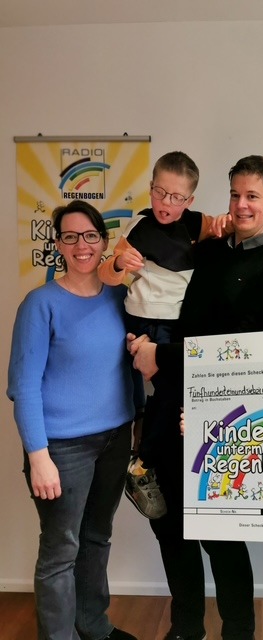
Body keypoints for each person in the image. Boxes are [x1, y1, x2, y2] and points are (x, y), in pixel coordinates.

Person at [130, 155, 263, 640]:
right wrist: (142, 341)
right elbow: (166, 305)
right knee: (168, 525)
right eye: (235, 195)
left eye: (252, 196)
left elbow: (239, 348)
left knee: (219, 534)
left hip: (224, 415)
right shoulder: (205, 250)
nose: (241, 205)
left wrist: (161, 355)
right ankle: (186, 628)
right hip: (168, 404)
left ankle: (238, 633)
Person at [7, 200, 144, 640]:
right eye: (70, 236)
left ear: (104, 242)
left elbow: (131, 365)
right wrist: (38, 456)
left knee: (97, 538)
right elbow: (24, 386)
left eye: (89, 236)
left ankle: (94, 626)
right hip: (62, 449)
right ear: (58, 244)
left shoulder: (122, 297)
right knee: (60, 552)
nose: (81, 245)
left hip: (115, 440)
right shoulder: (39, 304)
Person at [98, 151, 230, 518]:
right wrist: (119, 263)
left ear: (189, 200)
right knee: (167, 392)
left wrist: (225, 223)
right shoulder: (138, 226)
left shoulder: (195, 224)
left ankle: (144, 461)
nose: (165, 203)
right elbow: (106, 274)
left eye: (176, 196)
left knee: (175, 395)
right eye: (159, 192)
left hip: (176, 325)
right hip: (142, 320)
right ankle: (141, 465)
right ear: (151, 188)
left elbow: (223, 225)